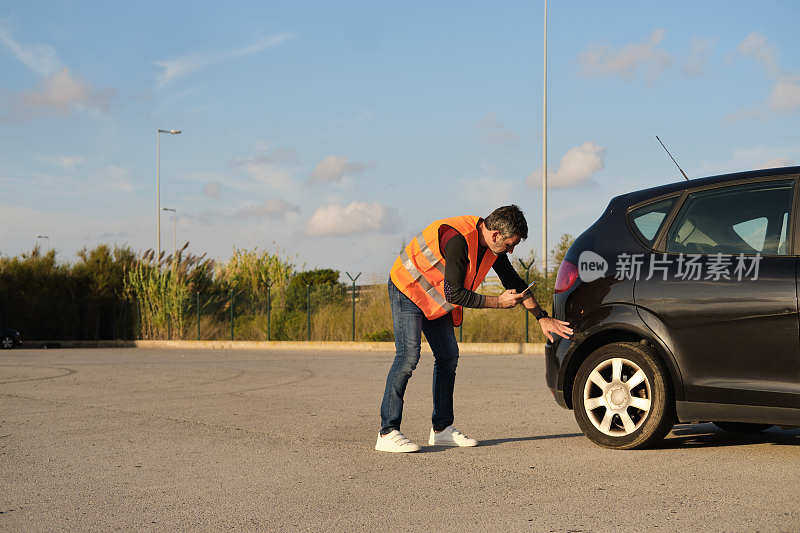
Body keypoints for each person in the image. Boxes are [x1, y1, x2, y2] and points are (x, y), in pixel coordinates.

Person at [375, 205, 573, 453]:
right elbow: (455, 293)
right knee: (408, 356)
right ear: (495, 235)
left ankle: (442, 430)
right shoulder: (458, 239)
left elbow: (514, 283)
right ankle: (388, 431)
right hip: (408, 289)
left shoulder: (493, 248)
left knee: (448, 357)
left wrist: (542, 317)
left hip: (434, 298)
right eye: (510, 245)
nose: (511, 250)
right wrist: (498, 302)